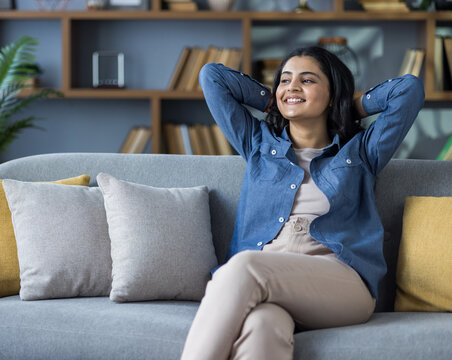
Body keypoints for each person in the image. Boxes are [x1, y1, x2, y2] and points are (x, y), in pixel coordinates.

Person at [180, 46, 425, 360]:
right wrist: (275, 99)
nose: (292, 86)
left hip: (339, 282)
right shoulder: (258, 144)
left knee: (242, 267)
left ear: (332, 94)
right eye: (285, 80)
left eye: (307, 80)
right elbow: (212, 77)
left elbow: (409, 90)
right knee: (262, 326)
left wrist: (350, 106)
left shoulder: (361, 152)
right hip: (268, 282)